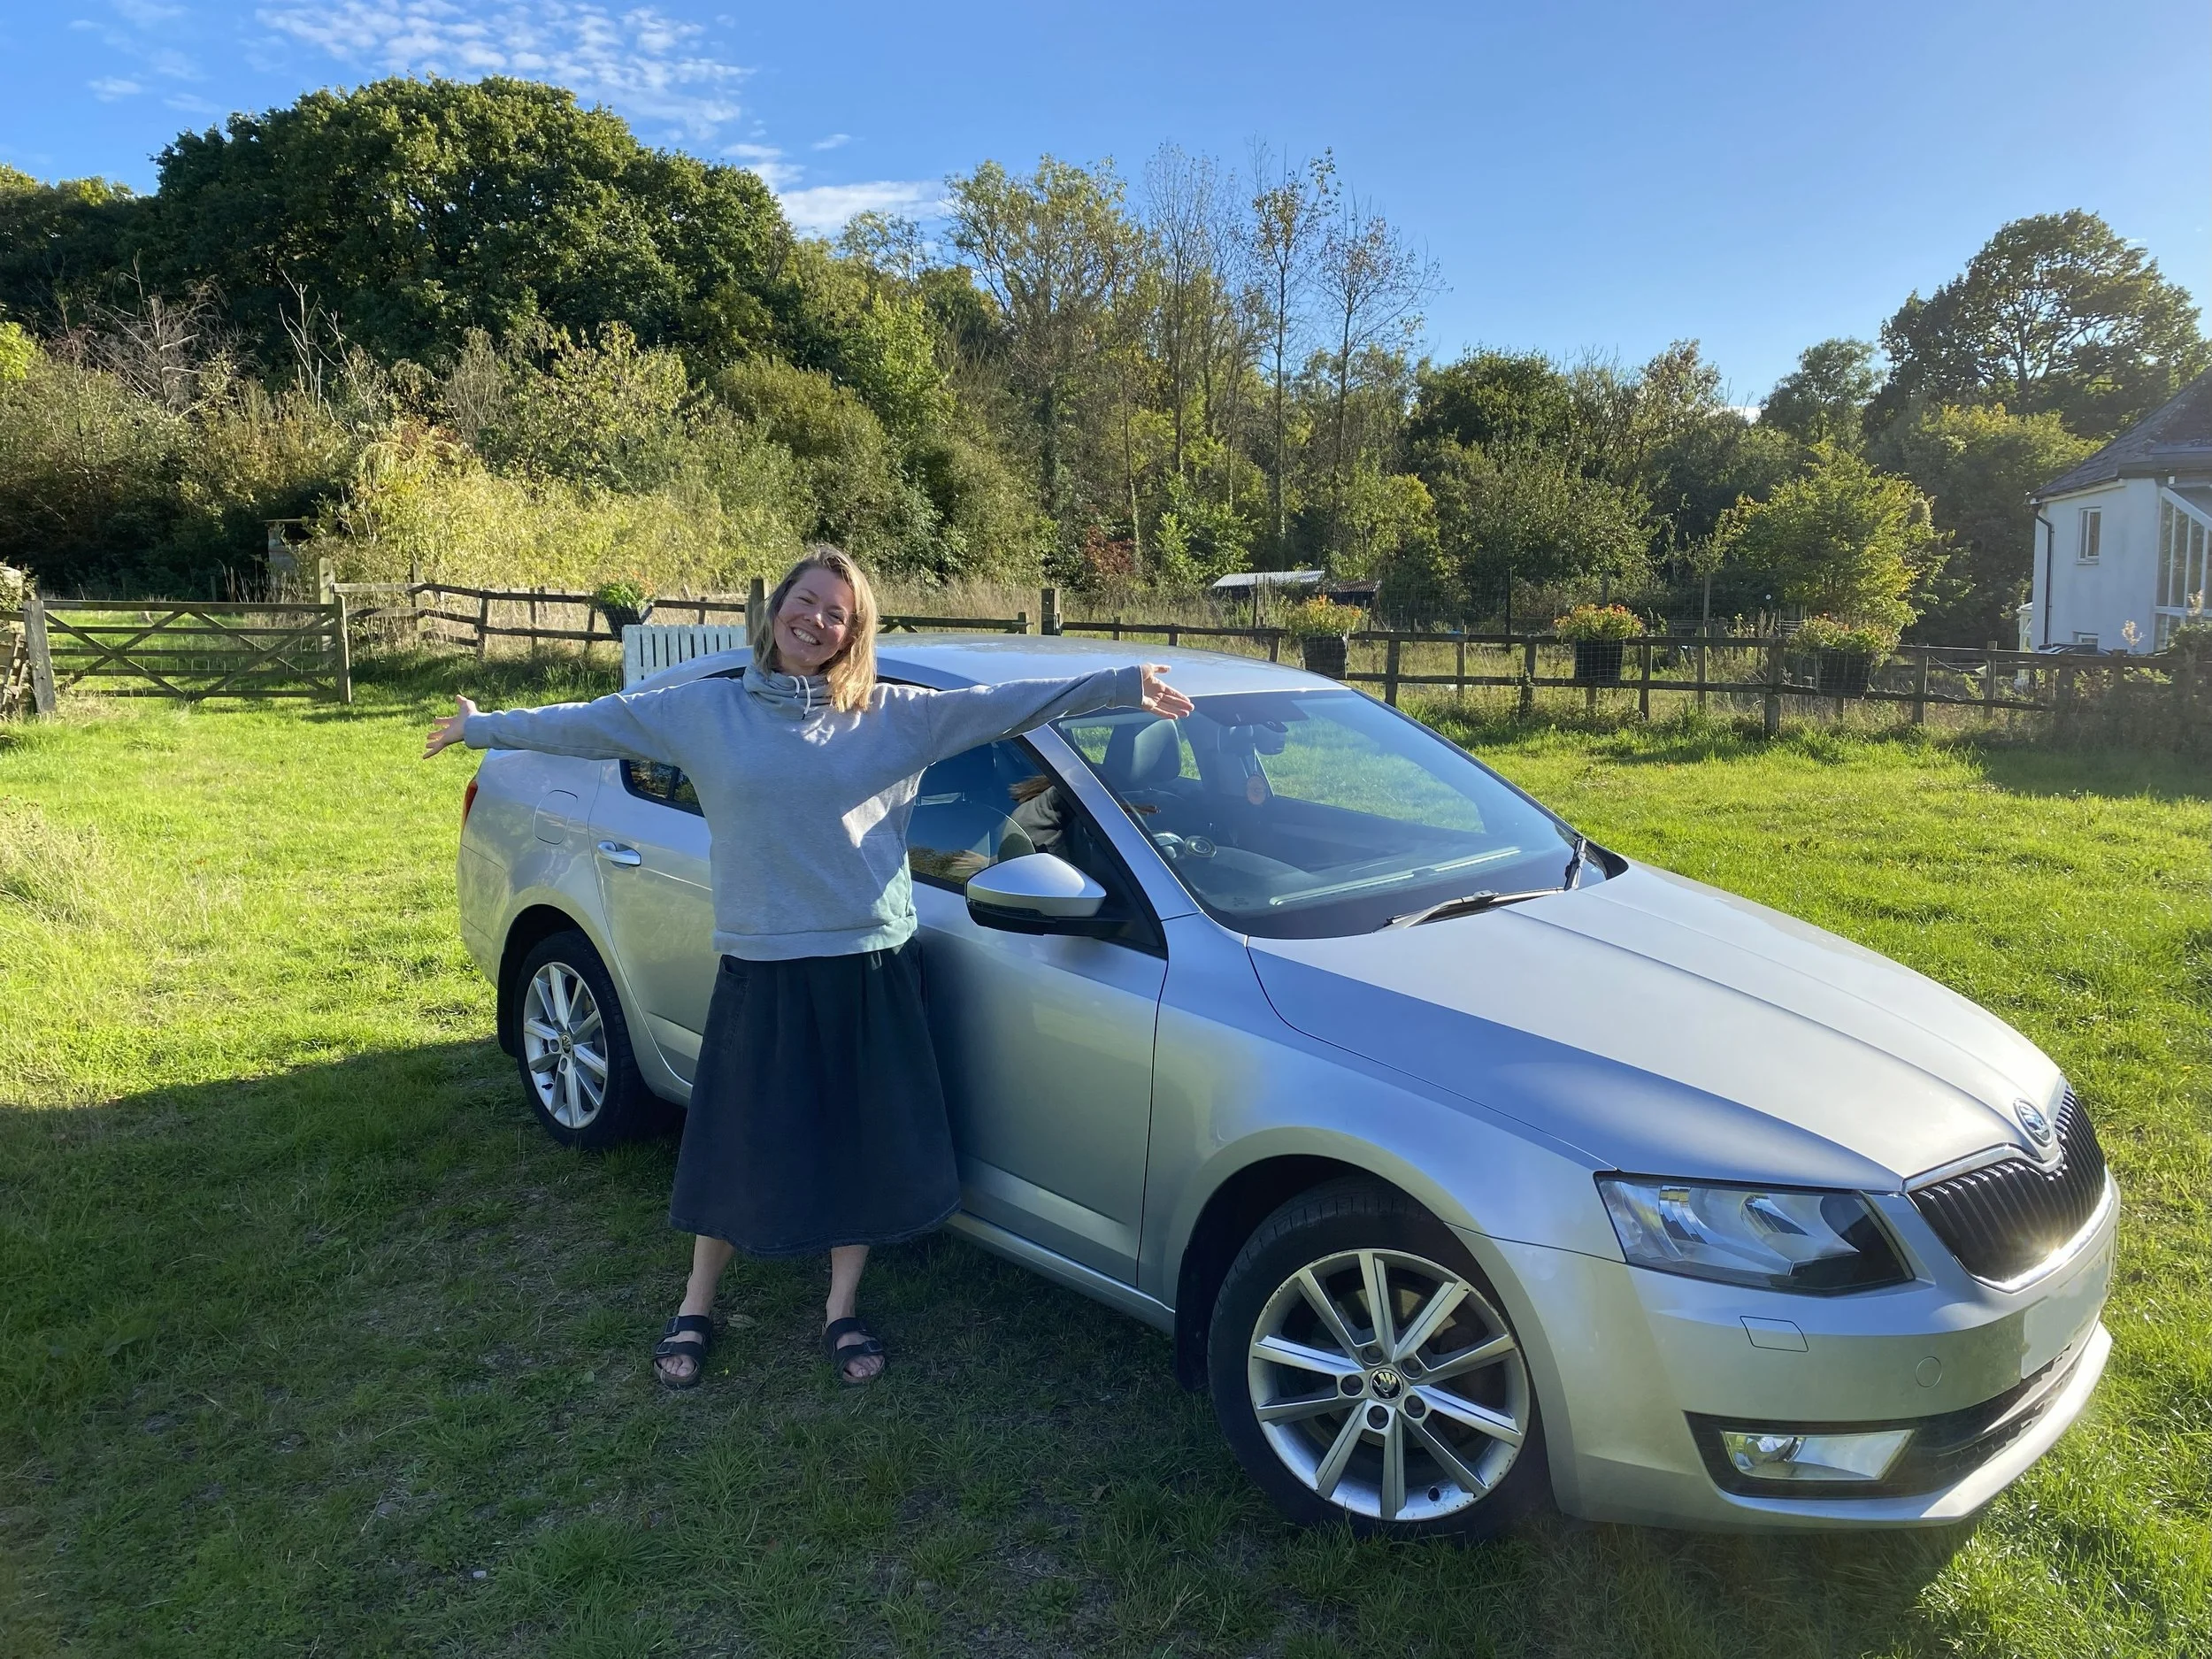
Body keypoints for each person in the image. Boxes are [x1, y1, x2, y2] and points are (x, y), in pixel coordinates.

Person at [424, 548, 1192, 1386]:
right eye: (808, 601)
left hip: (870, 964)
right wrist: (484, 725)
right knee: (734, 1140)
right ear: (778, 606)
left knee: (855, 1144)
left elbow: (1005, 706)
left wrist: (1120, 683)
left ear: (854, 633)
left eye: (839, 614)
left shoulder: (894, 717)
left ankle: (841, 1309)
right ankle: (695, 1302)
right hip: (767, 966)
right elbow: (592, 721)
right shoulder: (703, 713)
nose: (818, 622)